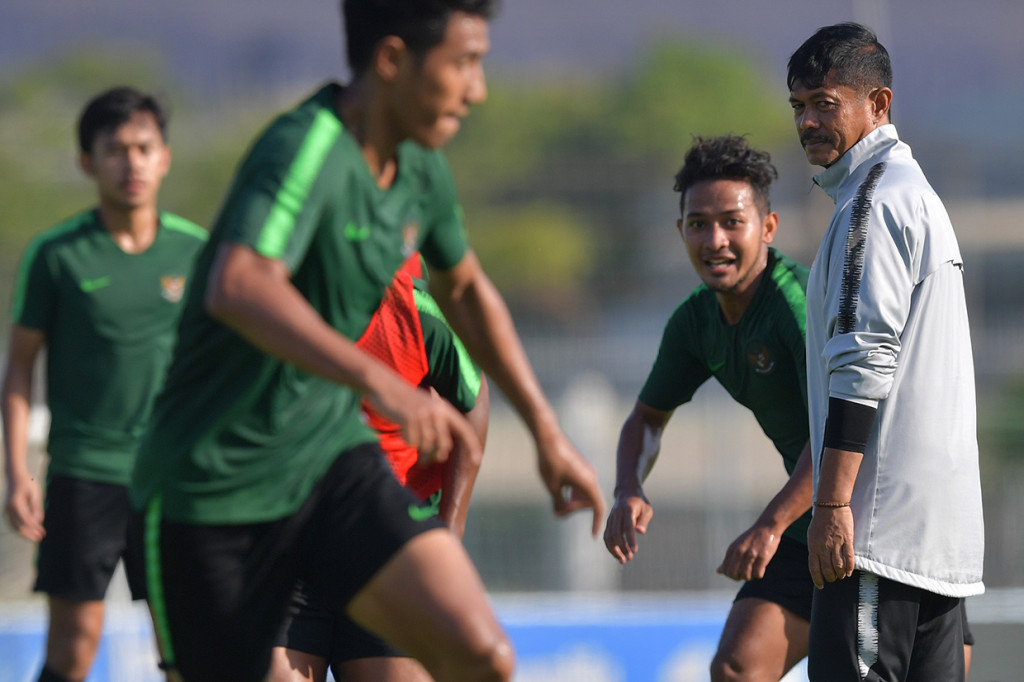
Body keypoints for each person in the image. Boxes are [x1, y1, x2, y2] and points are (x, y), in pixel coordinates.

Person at [129, 1, 604, 680]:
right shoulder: (306, 147)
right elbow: (239, 284)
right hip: (212, 484)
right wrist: (383, 385)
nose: (479, 89)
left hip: (329, 462)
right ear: (391, 61)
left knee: (482, 657)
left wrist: (547, 434)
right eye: (464, 64)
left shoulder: (421, 165)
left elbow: (466, 290)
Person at [787, 22, 984, 681]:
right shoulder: (916, 195)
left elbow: (864, 362)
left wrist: (834, 506)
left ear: (880, 104)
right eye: (799, 106)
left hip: (873, 541)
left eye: (825, 102)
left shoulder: (873, 202)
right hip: (936, 547)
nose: (809, 120)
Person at [1, 87, 206, 682]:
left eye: (144, 148)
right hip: (84, 474)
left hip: (172, 479)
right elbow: (18, 368)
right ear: (88, 162)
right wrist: (18, 471)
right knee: (73, 651)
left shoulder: (195, 252)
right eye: (115, 150)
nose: (132, 162)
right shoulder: (56, 255)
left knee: (186, 652)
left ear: (165, 155)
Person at [603, 135, 815, 682]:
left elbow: (844, 432)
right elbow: (646, 419)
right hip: (805, 521)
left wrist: (769, 525)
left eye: (731, 222)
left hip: (879, 524)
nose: (714, 239)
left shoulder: (796, 307)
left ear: (767, 227)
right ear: (680, 232)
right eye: (698, 224)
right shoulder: (695, 323)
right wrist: (629, 487)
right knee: (736, 669)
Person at [270, 257, 491, 682]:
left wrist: (449, 533)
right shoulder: (266, 307)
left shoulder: (414, 310)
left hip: (389, 549)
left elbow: (474, 402)